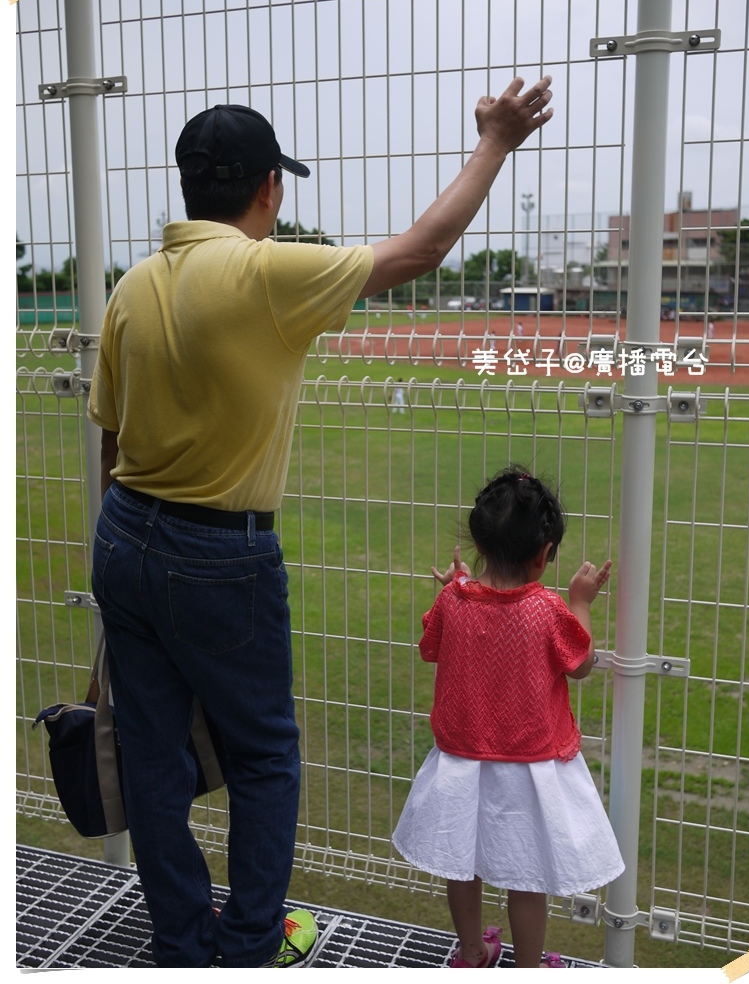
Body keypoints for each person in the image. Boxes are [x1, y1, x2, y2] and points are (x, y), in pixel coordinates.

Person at [87, 77, 554, 969]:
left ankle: (184, 941)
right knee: (264, 757)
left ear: (187, 184)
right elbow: (425, 247)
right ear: (269, 188)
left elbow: (112, 439)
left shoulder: (132, 288)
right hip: (219, 552)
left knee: (151, 756)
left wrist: (126, 544)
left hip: (125, 532)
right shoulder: (268, 272)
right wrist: (495, 141)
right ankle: (251, 942)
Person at [392, 465, 624, 968]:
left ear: (478, 542)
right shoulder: (546, 609)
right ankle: (528, 966)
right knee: (527, 876)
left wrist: (455, 589)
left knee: (462, 865)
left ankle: (472, 952)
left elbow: (430, 647)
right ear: (543, 556)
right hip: (528, 766)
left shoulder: (453, 600)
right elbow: (580, 665)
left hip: (462, 760)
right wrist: (581, 602)